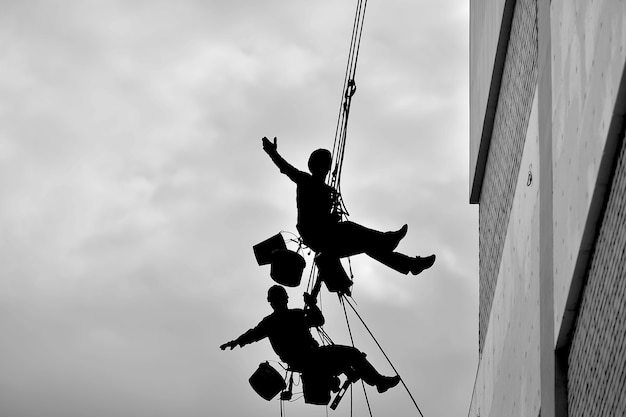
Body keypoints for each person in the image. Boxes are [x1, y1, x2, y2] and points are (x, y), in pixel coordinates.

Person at [261, 136, 435, 275]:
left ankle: (411, 264)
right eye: (324, 164)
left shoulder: (328, 190)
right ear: (317, 166)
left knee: (368, 245)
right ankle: (388, 240)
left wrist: (331, 217)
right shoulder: (305, 180)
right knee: (351, 229)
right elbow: (286, 168)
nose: (326, 169)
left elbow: (324, 217)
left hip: (326, 236)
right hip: (315, 236)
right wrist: (272, 152)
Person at [220, 285, 401, 396]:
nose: (278, 302)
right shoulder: (285, 318)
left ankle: (366, 379)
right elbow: (252, 334)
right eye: (277, 299)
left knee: (349, 356)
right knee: (352, 354)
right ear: (281, 300)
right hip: (310, 358)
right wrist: (236, 342)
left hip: (307, 359)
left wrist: (236, 342)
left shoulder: (283, 319)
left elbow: (317, 321)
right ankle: (376, 381)